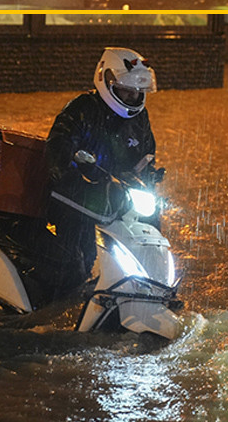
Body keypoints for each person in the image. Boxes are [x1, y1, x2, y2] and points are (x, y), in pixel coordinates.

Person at [40, 47, 162, 299]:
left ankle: (152, 286)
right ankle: (63, 302)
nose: (132, 96)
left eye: (137, 92)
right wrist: (75, 173)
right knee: (78, 257)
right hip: (79, 197)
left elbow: (146, 155)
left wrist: (148, 178)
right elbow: (58, 148)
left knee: (150, 229)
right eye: (126, 90)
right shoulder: (82, 109)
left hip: (118, 196)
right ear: (106, 81)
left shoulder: (139, 119)